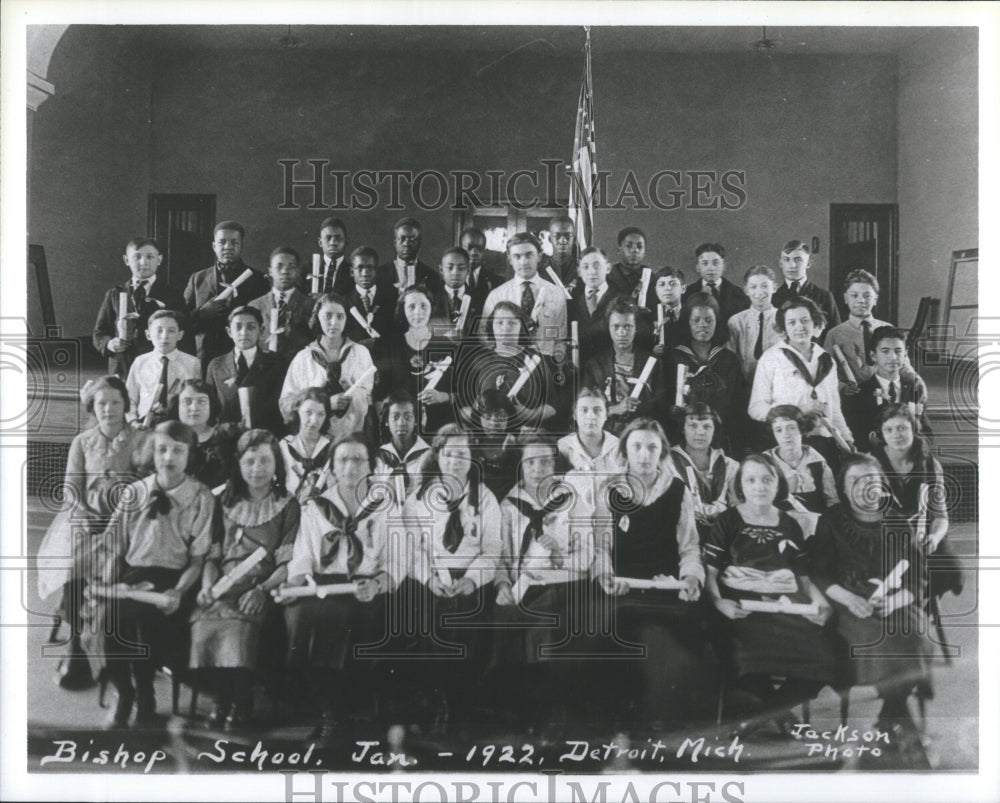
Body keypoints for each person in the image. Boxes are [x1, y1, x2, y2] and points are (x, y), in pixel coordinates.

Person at [809, 454, 933, 766]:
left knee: (913, 632)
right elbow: (819, 573)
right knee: (877, 634)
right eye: (855, 480)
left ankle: (892, 710)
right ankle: (897, 716)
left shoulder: (897, 521)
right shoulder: (831, 521)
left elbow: (919, 575)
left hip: (893, 599)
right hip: (848, 604)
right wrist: (848, 599)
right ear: (844, 487)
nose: (864, 487)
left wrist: (896, 600)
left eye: (872, 480)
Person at [277, 434, 401, 742]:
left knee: (357, 620)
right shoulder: (316, 508)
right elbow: (304, 554)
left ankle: (350, 713)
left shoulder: (384, 507)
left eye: (358, 459)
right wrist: (294, 582)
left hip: (365, 585)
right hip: (323, 586)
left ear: (371, 466)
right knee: (303, 617)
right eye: (343, 459)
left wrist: (378, 583)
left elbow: (398, 559)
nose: (350, 466)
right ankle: (331, 712)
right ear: (331, 467)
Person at [92, 421, 214, 728]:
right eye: (162, 450)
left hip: (174, 580)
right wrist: (106, 583)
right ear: (152, 453)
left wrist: (179, 591)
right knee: (111, 619)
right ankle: (124, 693)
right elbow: (116, 548)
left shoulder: (201, 497)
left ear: (190, 455)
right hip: (132, 576)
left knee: (146, 623)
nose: (168, 457)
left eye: (178, 450)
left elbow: (198, 559)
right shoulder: (134, 492)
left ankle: (146, 695)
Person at [703, 453, 835, 734]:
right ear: (740, 485)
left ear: (778, 484)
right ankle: (780, 714)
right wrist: (718, 603)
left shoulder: (790, 523)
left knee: (824, 660)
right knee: (743, 656)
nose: (759, 486)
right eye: (750, 480)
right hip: (741, 609)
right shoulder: (727, 521)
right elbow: (710, 574)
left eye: (767, 479)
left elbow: (803, 576)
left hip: (785, 606)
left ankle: (762, 713)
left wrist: (819, 600)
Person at [593, 418, 707, 729]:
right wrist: (605, 577)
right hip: (621, 586)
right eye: (637, 447)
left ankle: (668, 721)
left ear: (662, 453)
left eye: (652, 448)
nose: (644, 454)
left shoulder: (678, 491)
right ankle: (623, 721)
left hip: (666, 586)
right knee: (612, 628)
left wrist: (691, 579)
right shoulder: (610, 489)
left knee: (682, 630)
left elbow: (690, 549)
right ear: (625, 452)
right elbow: (601, 547)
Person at [190, 429, 300, 729]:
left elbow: (286, 564)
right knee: (203, 621)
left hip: (261, 587)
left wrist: (262, 590)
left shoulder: (287, 506)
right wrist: (208, 586)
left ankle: (241, 700)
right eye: (250, 461)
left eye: (265, 461)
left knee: (238, 627)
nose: (257, 469)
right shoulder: (223, 502)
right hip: (223, 583)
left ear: (277, 464)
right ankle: (220, 699)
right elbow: (212, 557)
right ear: (239, 464)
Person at [38, 376, 140, 690]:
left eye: (115, 403)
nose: (109, 409)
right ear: (93, 407)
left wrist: (120, 522)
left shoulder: (141, 439)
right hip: (89, 521)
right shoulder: (82, 442)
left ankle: (109, 648)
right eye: (102, 403)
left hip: (128, 525)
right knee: (74, 568)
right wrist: (82, 516)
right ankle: (76, 650)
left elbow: (148, 487)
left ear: (126, 404)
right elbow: (72, 490)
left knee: (114, 564)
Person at [493, 436, 596, 734]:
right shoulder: (509, 506)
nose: (539, 469)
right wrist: (501, 585)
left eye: (546, 461)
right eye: (531, 462)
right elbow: (499, 558)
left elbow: (588, 554)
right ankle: (527, 707)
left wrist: (561, 555)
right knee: (515, 615)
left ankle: (553, 709)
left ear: (556, 464)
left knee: (551, 612)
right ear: (521, 466)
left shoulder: (572, 500)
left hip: (567, 582)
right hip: (522, 585)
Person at [403, 425, 503, 732]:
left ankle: (459, 702)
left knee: (465, 614)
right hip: (429, 576)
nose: (456, 461)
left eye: (463, 454)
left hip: (470, 577)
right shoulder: (419, 498)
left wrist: (471, 579)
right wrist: (429, 578)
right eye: (450, 454)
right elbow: (410, 547)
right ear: (438, 456)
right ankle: (434, 700)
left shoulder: (484, 498)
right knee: (428, 615)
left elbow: (492, 550)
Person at [870, 403, 961, 601]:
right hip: (884, 535)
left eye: (902, 428)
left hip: (922, 533)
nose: (896, 434)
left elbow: (940, 516)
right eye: (889, 429)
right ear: (882, 434)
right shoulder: (870, 464)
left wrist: (935, 538)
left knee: (950, 570)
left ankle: (923, 603)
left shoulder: (930, 464)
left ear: (914, 429)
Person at [749, 298, 854, 463]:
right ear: (784, 328)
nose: (799, 327)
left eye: (805, 320)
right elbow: (756, 408)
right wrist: (799, 410)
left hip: (825, 444)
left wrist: (846, 438)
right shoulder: (771, 358)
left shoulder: (827, 360)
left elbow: (834, 410)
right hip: (787, 443)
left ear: (815, 323)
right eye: (791, 322)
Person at [279, 293, 376, 442]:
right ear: (317, 317)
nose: (334, 322)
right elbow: (286, 404)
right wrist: (324, 403)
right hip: (313, 440)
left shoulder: (360, 353)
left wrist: (353, 393)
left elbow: (369, 400)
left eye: (340, 316)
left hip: (352, 438)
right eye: (328, 316)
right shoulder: (304, 358)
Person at [663, 292, 747, 452]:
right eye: (696, 320)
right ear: (687, 322)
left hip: (721, 438)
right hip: (680, 437)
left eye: (709, 320)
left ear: (717, 322)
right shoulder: (673, 358)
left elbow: (737, 406)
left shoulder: (728, 360)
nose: (703, 325)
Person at [92, 237, 187, 378]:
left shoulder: (173, 295)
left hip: (157, 367)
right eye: (137, 257)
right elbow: (99, 332)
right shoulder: (115, 294)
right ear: (126, 260)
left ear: (159, 260)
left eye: (150, 257)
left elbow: (184, 333)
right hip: (123, 367)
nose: (143, 262)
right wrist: (109, 344)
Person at [457, 301, 558, 431]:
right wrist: (483, 417)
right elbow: (462, 407)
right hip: (486, 438)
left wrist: (529, 414)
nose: (505, 328)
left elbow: (553, 407)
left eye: (512, 323)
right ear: (491, 326)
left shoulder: (535, 360)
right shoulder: (480, 360)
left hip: (524, 436)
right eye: (499, 323)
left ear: (521, 326)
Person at [184, 221, 270, 368]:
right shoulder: (198, 279)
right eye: (222, 242)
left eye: (234, 242)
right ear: (214, 246)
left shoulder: (258, 280)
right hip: (205, 357)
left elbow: (264, 322)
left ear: (241, 245)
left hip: (244, 356)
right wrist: (201, 313)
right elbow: (181, 320)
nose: (228, 247)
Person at [377, 285, 457, 435]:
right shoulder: (390, 345)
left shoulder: (446, 345)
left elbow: (460, 393)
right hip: (401, 427)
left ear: (431, 308)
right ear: (403, 310)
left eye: (423, 306)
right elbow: (380, 394)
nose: (418, 312)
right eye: (411, 307)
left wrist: (442, 397)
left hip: (439, 425)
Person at [583, 297, 665, 436]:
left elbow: (661, 406)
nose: (622, 333)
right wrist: (614, 409)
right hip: (605, 434)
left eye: (628, 326)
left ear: (636, 328)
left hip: (642, 434)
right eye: (616, 327)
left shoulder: (651, 362)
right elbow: (585, 406)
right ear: (608, 327)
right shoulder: (595, 364)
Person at [481, 232, 568, 357]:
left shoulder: (556, 294)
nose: (523, 262)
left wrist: (555, 364)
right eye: (517, 256)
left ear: (539, 256)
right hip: (508, 365)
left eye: (529, 255)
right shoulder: (497, 296)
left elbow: (560, 339)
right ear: (510, 259)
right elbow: (484, 336)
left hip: (544, 365)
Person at [844, 326, 931, 450]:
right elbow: (857, 436)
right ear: (873, 355)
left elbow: (926, 432)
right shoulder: (860, 393)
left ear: (905, 353)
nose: (893, 357)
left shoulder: (915, 389)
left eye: (898, 351)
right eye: (885, 351)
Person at [204, 306, 284, 432]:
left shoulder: (276, 363)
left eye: (251, 327)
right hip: (227, 439)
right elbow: (210, 409)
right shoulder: (216, 366)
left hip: (265, 437)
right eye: (238, 327)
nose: (244, 332)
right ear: (229, 332)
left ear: (261, 330)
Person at [669, 403, 739, 539]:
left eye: (707, 426)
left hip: (722, 534)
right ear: (683, 429)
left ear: (714, 429)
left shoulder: (730, 466)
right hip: (681, 532)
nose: (700, 432)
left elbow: (738, 505)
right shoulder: (668, 463)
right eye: (692, 426)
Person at [124, 309, 201, 426]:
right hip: (144, 423)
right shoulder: (140, 362)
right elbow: (130, 399)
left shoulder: (192, 363)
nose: (164, 336)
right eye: (159, 330)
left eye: (171, 331)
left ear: (180, 335)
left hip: (179, 424)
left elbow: (196, 397)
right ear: (148, 335)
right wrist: (134, 421)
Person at [823, 269, 894, 387]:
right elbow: (826, 371)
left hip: (884, 390)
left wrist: (915, 378)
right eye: (854, 295)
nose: (861, 300)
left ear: (875, 299)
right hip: (852, 394)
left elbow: (903, 364)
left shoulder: (888, 329)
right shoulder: (834, 334)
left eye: (867, 296)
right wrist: (842, 387)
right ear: (846, 298)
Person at [167, 378, 241, 490]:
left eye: (201, 401)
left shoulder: (228, 438)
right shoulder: (167, 443)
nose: (194, 408)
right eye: (187, 402)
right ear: (177, 406)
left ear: (211, 405)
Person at [764, 405, 838, 515]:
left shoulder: (818, 464)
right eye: (778, 430)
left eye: (791, 428)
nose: (785, 435)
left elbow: (832, 502)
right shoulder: (765, 464)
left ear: (802, 429)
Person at [249, 246, 315, 365]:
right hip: (262, 369)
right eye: (279, 266)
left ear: (298, 271)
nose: (285, 271)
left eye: (291, 266)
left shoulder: (310, 305)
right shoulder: (255, 306)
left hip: (298, 368)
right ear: (270, 271)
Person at [771, 240, 841, 339]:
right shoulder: (774, 298)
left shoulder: (823, 296)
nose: (792, 265)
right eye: (787, 260)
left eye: (798, 259)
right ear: (780, 263)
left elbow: (836, 334)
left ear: (808, 263)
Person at [727, 265, 780, 382]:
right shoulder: (736, 322)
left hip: (777, 385)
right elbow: (730, 361)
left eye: (765, 286)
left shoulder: (783, 319)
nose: (759, 292)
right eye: (753, 287)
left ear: (774, 288)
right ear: (746, 290)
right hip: (743, 387)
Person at [567, 246, 619, 365]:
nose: (592, 271)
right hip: (579, 368)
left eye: (597, 265)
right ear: (579, 271)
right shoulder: (572, 302)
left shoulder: (619, 298)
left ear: (608, 268)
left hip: (610, 366)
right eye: (585, 267)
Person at [278, 388, 333, 501]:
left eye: (321, 414)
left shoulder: (333, 447)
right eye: (308, 413)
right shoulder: (284, 447)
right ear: (297, 411)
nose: (314, 420)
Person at [373, 390, 431, 495]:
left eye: (408, 417)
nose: (401, 423)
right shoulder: (379, 457)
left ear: (416, 421)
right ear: (386, 421)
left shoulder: (429, 456)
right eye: (395, 417)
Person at [557, 387, 623, 474]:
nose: (591, 416)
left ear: (606, 415)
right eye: (584, 410)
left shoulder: (618, 447)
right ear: (575, 415)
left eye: (597, 410)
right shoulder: (563, 447)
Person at [343, 246, 399, 346]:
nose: (365, 274)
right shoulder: (344, 302)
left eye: (370, 268)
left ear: (377, 271)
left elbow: (396, 333)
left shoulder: (391, 297)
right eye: (360, 268)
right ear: (352, 272)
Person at [682, 243, 750, 325]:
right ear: (698, 267)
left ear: (724, 266)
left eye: (715, 263)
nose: (711, 268)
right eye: (705, 263)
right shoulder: (686, 294)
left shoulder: (739, 294)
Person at [376, 217, 443, 294]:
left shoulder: (431, 276)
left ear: (419, 243)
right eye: (402, 239)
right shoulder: (380, 274)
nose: (406, 243)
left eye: (412, 239)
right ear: (395, 243)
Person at [431, 247, 477, 337]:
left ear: (469, 270)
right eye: (450, 268)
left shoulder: (478, 299)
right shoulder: (431, 298)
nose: (455, 272)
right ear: (441, 270)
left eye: (461, 268)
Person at [459, 227, 500, 325]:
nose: (474, 253)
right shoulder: (450, 279)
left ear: (484, 251)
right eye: (470, 247)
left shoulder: (496, 281)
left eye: (479, 248)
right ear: (461, 249)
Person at [607, 226, 652, 305]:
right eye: (629, 246)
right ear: (619, 250)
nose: (635, 250)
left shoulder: (654, 280)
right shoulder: (607, 280)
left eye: (639, 246)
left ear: (645, 252)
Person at [649, 266, 686, 356]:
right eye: (662, 284)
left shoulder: (690, 314)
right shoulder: (649, 317)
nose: (667, 288)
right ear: (656, 290)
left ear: (683, 288)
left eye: (673, 284)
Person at [538, 215, 578, 288]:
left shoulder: (582, 269)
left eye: (567, 236)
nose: (562, 241)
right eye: (557, 236)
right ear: (550, 239)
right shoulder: (538, 271)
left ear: (574, 239)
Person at [316, 217, 353, 296]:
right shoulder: (308, 269)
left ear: (347, 241)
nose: (333, 243)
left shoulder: (354, 272)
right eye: (328, 238)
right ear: (320, 242)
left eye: (338, 238)